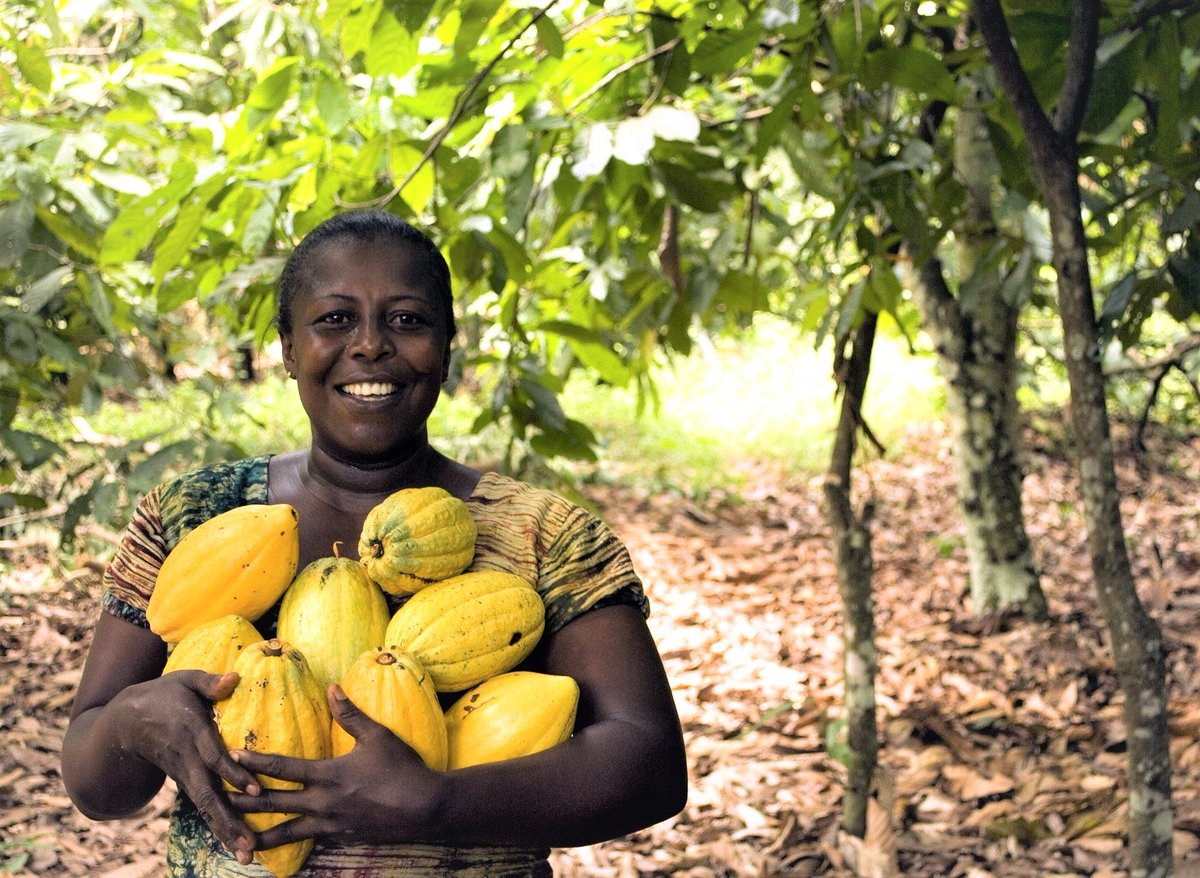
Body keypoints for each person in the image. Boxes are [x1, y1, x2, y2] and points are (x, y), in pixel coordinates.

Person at [60, 210, 688, 876]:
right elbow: (96, 785)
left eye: (407, 320)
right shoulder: (193, 516)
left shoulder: (543, 535)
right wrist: (131, 722)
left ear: (447, 346)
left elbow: (649, 765)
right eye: (334, 319)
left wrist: (437, 802)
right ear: (288, 348)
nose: (369, 346)